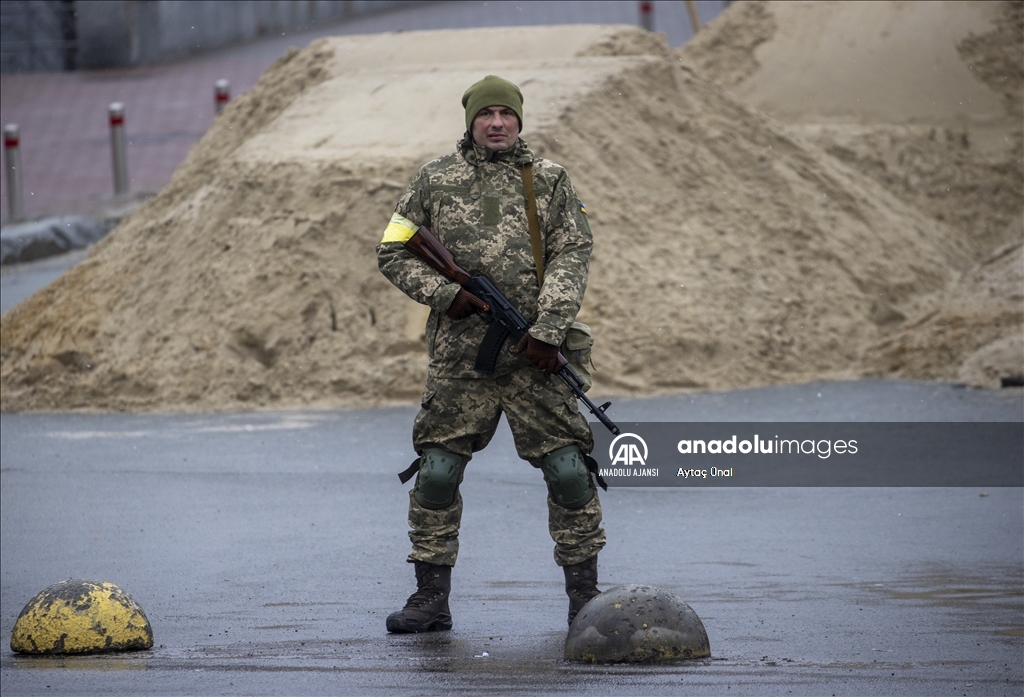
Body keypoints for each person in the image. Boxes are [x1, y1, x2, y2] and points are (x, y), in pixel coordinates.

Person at [376, 75, 606, 633]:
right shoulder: (433, 180)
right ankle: (430, 599)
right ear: (471, 121)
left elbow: (573, 254)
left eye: (506, 113)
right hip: (460, 361)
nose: (496, 122)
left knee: (570, 471)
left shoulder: (548, 180)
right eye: (486, 114)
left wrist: (548, 329)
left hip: (535, 356)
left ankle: (585, 600)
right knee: (436, 472)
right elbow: (391, 248)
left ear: (520, 121)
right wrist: (446, 292)